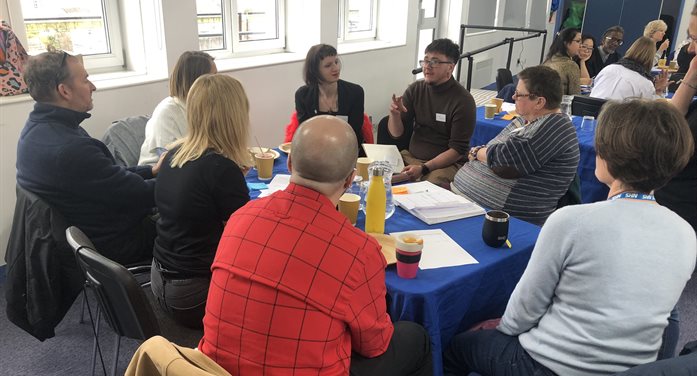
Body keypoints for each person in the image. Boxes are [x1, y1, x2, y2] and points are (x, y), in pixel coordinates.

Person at [443, 99, 696, 376]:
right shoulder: (685, 233)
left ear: (606, 154)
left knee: (456, 347)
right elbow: (666, 319)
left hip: (548, 365)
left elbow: (522, 313)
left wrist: (498, 329)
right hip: (634, 368)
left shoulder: (571, 221)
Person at [199, 116, 433, 376]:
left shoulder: (239, 218)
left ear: (288, 163)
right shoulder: (358, 251)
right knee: (414, 337)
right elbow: (374, 345)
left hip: (213, 369)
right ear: (349, 180)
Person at [17, 50, 162, 265]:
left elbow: (107, 177)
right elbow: (138, 195)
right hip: (116, 244)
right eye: (85, 80)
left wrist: (150, 170)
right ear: (64, 90)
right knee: (200, 223)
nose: (93, 87)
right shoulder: (70, 149)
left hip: (90, 232)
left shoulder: (37, 130)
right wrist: (189, 180)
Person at [150, 74, 252, 328]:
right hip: (191, 295)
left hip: (158, 279)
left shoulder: (174, 153)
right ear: (235, 116)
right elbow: (245, 238)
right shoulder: (221, 168)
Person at [451, 65, 579, 225]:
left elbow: (505, 161)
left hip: (504, 219)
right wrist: (487, 153)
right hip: (470, 203)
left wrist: (478, 152)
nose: (512, 96)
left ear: (539, 102)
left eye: (519, 94)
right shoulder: (524, 120)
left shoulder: (554, 126)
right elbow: (496, 150)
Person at [389, 38, 475, 187]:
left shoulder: (463, 101)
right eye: (425, 60)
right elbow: (396, 134)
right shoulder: (416, 89)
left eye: (435, 62)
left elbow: (457, 150)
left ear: (450, 67)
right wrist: (395, 116)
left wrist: (424, 168)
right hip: (411, 157)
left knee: (429, 187)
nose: (427, 66)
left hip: (445, 165)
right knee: (378, 174)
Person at [657, 4, 697, 234]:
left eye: (696, 40)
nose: (691, 49)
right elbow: (669, 122)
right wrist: (691, 76)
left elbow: (664, 137)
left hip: (684, 227)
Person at [138, 51, 216, 165]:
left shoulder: (202, 106)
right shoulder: (167, 112)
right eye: (213, 77)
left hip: (193, 169)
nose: (218, 82)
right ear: (196, 80)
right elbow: (171, 160)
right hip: (160, 175)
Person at [294, 44, 365, 153]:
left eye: (336, 62)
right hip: (315, 152)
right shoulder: (302, 95)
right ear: (315, 70)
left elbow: (354, 133)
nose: (335, 68)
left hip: (347, 152)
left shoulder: (355, 92)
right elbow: (305, 134)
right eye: (328, 65)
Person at [590, 37, 669, 100]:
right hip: (618, 118)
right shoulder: (645, 83)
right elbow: (652, 111)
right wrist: (658, 92)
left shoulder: (608, 68)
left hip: (590, 116)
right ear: (651, 58)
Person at [543, 28, 581, 95]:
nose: (581, 45)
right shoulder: (570, 65)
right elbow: (575, 95)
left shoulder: (547, 61)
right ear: (566, 43)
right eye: (578, 41)